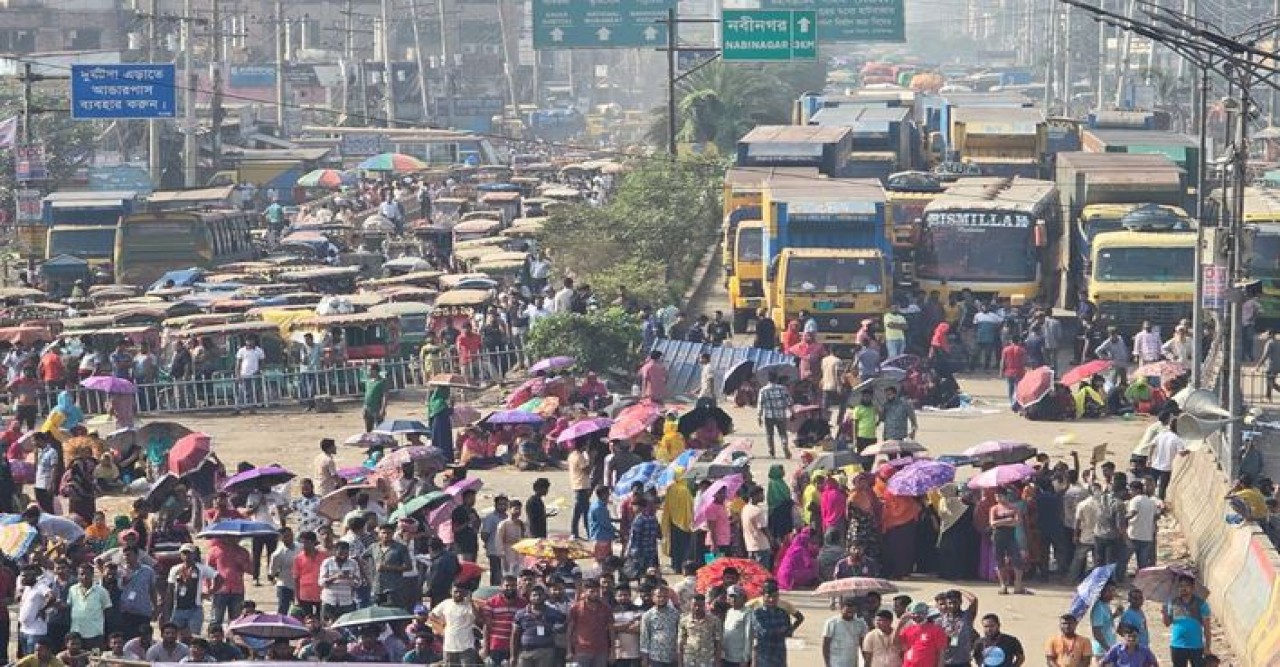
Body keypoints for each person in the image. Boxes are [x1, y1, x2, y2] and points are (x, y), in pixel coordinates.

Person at [1162, 575, 1211, 667]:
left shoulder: (1201, 604)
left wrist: (1207, 647)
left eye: (1186, 585)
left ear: (1192, 587)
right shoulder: (1173, 603)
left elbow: (1207, 628)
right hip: (1177, 645)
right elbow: (1167, 623)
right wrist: (1164, 613)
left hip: (1196, 646)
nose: (1183, 588)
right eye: (1180, 586)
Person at [751, 582, 801, 667]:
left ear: (778, 596)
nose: (771, 599)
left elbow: (788, 630)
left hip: (779, 656)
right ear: (763, 596)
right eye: (768, 597)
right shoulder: (756, 614)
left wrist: (790, 630)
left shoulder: (783, 614)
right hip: (762, 657)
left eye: (774, 596)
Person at [429, 584, 481, 666]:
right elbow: (432, 614)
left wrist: (471, 602)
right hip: (449, 645)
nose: (458, 594)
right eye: (456, 592)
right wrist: (442, 623)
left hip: (466, 646)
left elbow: (477, 618)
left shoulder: (469, 605)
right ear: (451, 592)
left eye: (461, 592)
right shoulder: (446, 603)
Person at [567, 578, 612, 667]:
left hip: (601, 650)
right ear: (585, 591)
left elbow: (611, 630)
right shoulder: (575, 608)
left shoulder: (606, 608)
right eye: (591, 591)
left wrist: (612, 650)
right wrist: (569, 650)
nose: (595, 594)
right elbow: (570, 630)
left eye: (597, 591)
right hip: (582, 650)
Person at [639, 586, 680, 667]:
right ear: (653, 598)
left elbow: (679, 634)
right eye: (659, 596)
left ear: (668, 598)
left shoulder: (675, 614)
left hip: (672, 657)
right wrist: (644, 659)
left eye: (665, 596)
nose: (661, 599)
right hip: (655, 658)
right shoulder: (647, 615)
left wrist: (678, 654)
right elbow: (644, 638)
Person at [677, 593, 722, 667]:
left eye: (700, 606)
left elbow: (718, 642)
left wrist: (717, 662)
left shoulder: (714, 621)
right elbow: (680, 642)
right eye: (694, 605)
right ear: (691, 605)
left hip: (707, 661)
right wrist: (680, 663)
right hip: (689, 661)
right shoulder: (684, 620)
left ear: (704, 606)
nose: (697, 608)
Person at [896, 602, 946, 667]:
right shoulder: (907, 629)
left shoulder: (936, 630)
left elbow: (941, 653)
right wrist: (900, 624)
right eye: (914, 613)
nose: (916, 615)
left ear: (925, 613)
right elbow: (896, 643)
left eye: (920, 613)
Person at [823, 597, 868, 667]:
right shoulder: (832, 622)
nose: (850, 614)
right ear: (841, 608)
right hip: (835, 662)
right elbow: (826, 644)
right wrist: (827, 664)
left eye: (852, 612)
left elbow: (863, 644)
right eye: (847, 611)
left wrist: (866, 661)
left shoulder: (860, 623)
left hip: (852, 662)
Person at [1149, 418, 1187, 500]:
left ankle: (1149, 500)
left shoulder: (1161, 434)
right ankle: (1159, 502)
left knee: (1151, 486)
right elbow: (1181, 453)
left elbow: (1152, 446)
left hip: (1155, 465)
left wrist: (1149, 459)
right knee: (1162, 488)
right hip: (1166, 468)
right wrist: (1189, 450)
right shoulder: (1177, 439)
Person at [757, 374, 793, 458]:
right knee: (783, 433)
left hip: (768, 416)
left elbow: (760, 404)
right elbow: (789, 402)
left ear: (768, 380)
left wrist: (759, 416)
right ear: (776, 379)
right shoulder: (783, 389)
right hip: (781, 415)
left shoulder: (763, 390)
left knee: (769, 434)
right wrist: (792, 412)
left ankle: (772, 452)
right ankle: (784, 445)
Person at [1090, 580, 1119, 661]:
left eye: (1113, 590)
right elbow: (1096, 632)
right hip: (1102, 650)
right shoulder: (1098, 607)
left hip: (1108, 647)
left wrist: (1115, 615)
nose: (1112, 593)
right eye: (1108, 591)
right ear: (1101, 591)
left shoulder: (1105, 605)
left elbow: (1105, 622)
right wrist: (1108, 649)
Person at [362, 364, 388, 433]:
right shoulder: (368, 382)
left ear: (374, 371)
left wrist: (383, 409)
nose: (368, 372)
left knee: (380, 429)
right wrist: (364, 407)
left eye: (369, 370)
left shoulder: (382, 381)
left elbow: (385, 396)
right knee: (368, 430)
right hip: (368, 408)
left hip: (377, 409)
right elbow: (367, 395)